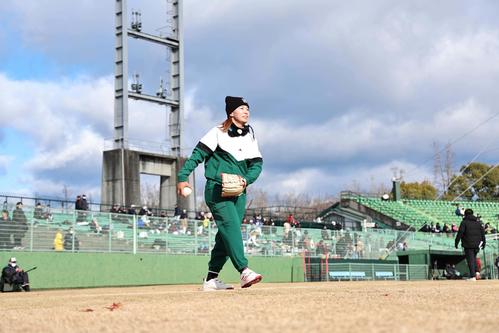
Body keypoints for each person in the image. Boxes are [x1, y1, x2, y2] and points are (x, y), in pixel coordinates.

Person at [177, 96, 263, 291]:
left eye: (247, 108)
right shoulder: (217, 132)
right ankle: (244, 270)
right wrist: (183, 177)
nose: (246, 111)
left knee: (225, 236)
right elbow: (196, 156)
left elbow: (257, 164)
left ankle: (211, 279)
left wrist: (246, 180)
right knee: (231, 227)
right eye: (241, 108)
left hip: (239, 191)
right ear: (231, 112)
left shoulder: (250, 135)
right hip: (217, 189)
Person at [455, 209, 486, 281]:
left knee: (470, 260)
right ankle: (477, 272)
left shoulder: (464, 222)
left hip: (468, 244)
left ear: (465, 214)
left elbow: (460, 233)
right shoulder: (478, 223)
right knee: (474, 258)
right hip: (477, 244)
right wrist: (484, 243)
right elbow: (483, 233)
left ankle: (473, 276)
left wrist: (456, 242)